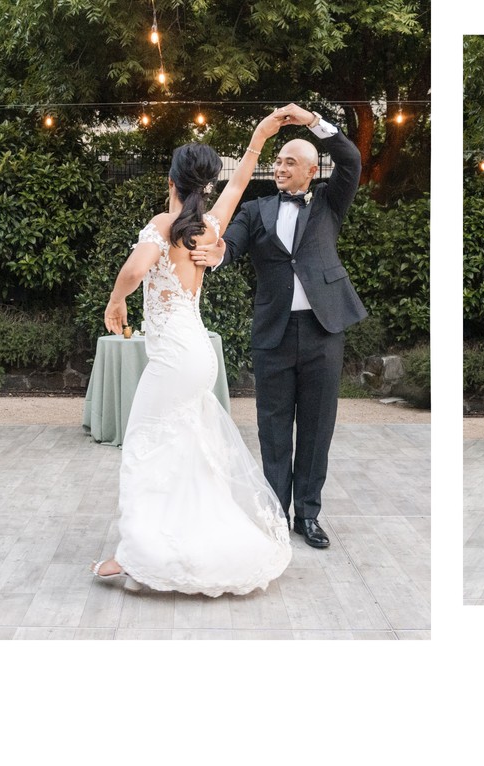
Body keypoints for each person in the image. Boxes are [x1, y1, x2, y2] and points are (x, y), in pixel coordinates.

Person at [90, 109, 293, 596]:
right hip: (198, 354)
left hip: (175, 358)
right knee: (187, 449)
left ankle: (138, 552)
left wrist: (115, 301)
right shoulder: (206, 227)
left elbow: (137, 268)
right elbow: (241, 184)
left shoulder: (164, 224)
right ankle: (187, 536)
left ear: (171, 181)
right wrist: (261, 133)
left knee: (144, 442)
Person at [191, 104, 366, 549]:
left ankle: (308, 516)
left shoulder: (329, 200)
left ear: (311, 171)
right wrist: (217, 256)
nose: (281, 166)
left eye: (290, 161)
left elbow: (350, 159)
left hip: (324, 330)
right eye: (279, 160)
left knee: (316, 427)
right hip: (273, 333)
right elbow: (230, 244)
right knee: (272, 427)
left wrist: (311, 120)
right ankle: (274, 514)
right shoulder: (257, 208)